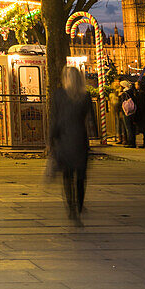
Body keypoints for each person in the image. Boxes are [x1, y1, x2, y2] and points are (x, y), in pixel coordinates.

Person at [49, 65, 96, 226]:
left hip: (64, 139)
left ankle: (72, 210)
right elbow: (89, 120)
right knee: (81, 178)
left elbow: (55, 120)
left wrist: (51, 141)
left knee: (67, 177)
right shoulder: (85, 96)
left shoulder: (58, 95)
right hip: (80, 139)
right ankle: (80, 205)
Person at [132, 77, 145, 148]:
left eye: (136, 85)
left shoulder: (141, 94)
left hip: (143, 115)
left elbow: (140, 105)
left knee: (144, 130)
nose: (135, 86)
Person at [119, 81, 137, 147]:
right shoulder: (131, 92)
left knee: (128, 127)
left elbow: (122, 103)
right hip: (132, 111)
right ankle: (133, 141)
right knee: (132, 127)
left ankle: (130, 142)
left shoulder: (124, 93)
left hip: (126, 111)